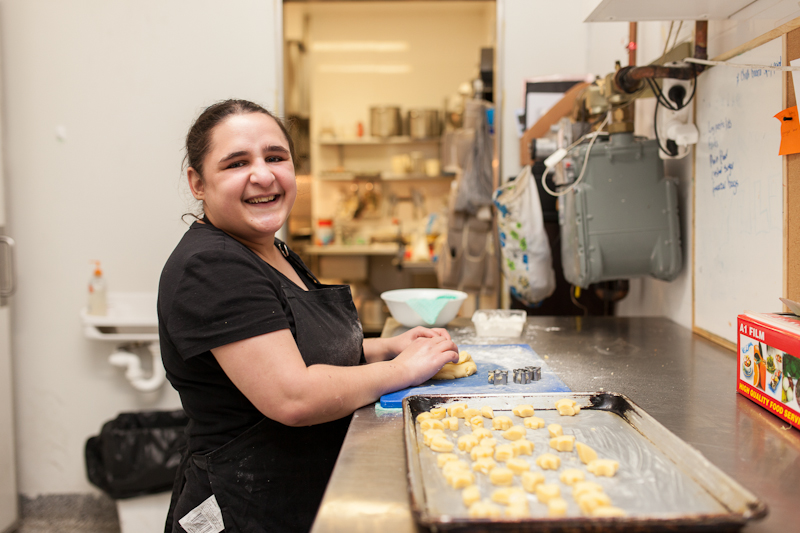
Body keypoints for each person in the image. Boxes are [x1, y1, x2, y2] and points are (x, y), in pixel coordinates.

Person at [158, 99, 459, 533]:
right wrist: (401, 370)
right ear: (198, 182)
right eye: (236, 163)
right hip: (247, 505)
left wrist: (387, 346)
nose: (263, 174)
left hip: (291, 490)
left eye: (275, 157)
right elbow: (292, 395)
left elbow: (295, 345)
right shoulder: (211, 266)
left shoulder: (268, 248)